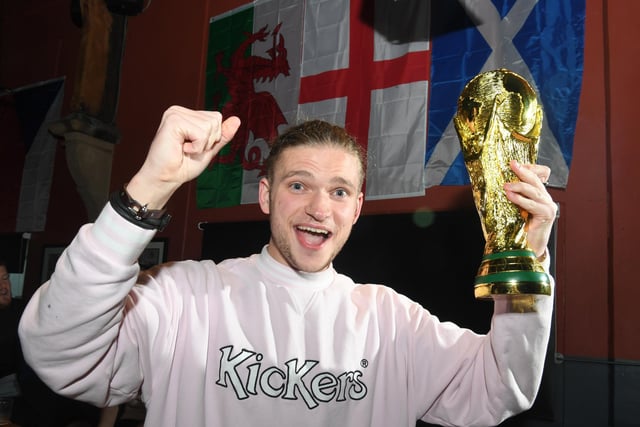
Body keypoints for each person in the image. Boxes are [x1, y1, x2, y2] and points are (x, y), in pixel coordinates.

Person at [19, 106, 557, 427]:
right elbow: (58, 352)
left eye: (339, 191)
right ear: (265, 196)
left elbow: (501, 388)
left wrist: (526, 260)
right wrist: (149, 191)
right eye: (298, 185)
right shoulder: (181, 296)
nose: (320, 209)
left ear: (357, 208)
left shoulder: (392, 321)